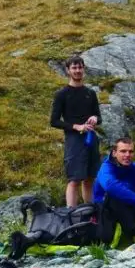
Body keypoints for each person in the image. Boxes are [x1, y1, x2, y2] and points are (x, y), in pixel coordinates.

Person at [50, 56, 102, 206]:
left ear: (83, 69)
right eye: (74, 68)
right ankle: (71, 216)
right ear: (68, 70)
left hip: (91, 139)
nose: (77, 71)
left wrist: (94, 118)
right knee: (74, 180)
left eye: (80, 67)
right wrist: (76, 127)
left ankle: (91, 213)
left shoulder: (90, 93)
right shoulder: (62, 94)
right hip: (74, 141)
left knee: (90, 178)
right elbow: (54, 121)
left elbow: (99, 117)